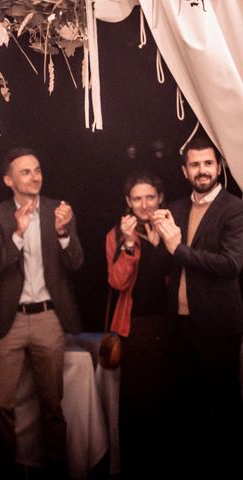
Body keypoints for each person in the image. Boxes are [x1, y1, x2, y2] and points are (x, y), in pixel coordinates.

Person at [0, 147, 83, 478]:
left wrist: (64, 233)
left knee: (52, 406)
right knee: (2, 406)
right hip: (7, 322)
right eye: (25, 172)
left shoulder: (59, 211)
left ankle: (57, 470)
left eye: (37, 170)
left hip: (47, 318)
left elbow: (76, 262)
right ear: (8, 179)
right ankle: (6, 471)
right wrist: (18, 235)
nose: (35, 176)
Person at [151, 136, 243, 478]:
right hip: (179, 325)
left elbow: (230, 265)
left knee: (225, 408)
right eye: (194, 164)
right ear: (184, 170)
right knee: (185, 410)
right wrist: (158, 244)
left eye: (207, 163)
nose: (201, 170)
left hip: (218, 328)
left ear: (219, 167)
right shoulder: (175, 208)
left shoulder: (235, 208)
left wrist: (177, 248)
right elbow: (163, 267)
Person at [105, 172, 173, 478]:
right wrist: (129, 244)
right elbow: (116, 281)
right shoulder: (116, 235)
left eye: (149, 197)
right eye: (137, 199)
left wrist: (170, 239)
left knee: (171, 402)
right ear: (127, 203)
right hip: (137, 330)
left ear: (160, 198)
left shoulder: (175, 227)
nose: (144, 204)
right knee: (137, 405)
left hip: (173, 327)